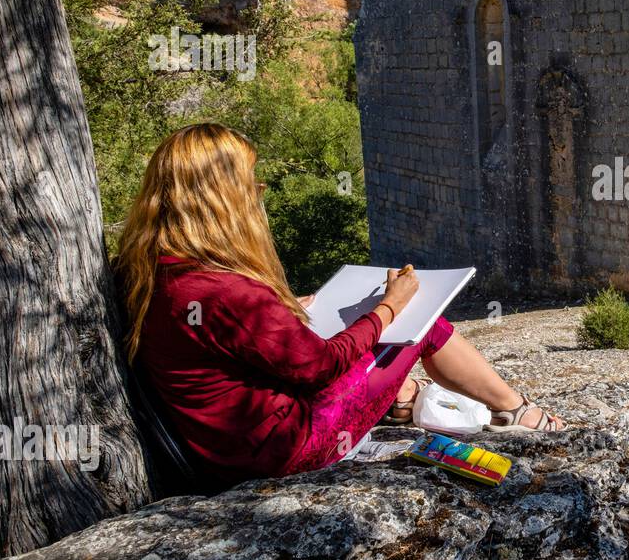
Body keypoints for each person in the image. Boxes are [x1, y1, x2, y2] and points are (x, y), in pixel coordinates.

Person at [114, 123, 564, 484]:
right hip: (289, 449)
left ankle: (408, 401)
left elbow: (219, 341)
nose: (259, 191)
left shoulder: (157, 269)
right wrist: (389, 307)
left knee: (377, 327)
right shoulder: (225, 289)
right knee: (422, 320)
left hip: (225, 451)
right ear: (224, 198)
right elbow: (318, 367)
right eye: (251, 183)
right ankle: (516, 410)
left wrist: (284, 308)